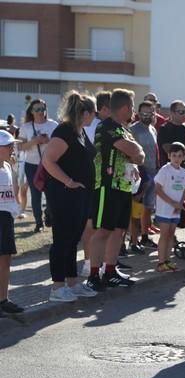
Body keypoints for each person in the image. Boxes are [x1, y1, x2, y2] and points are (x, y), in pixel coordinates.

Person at [41, 91, 99, 302]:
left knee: (72, 240)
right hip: (64, 195)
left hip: (80, 195)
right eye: (93, 113)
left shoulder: (79, 131)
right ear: (84, 113)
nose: (95, 117)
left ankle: (72, 283)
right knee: (62, 240)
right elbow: (48, 160)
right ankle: (57, 288)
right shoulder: (64, 131)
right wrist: (69, 181)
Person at [87, 89, 146, 291]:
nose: (133, 112)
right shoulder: (107, 127)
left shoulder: (124, 129)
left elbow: (139, 156)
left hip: (124, 186)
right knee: (103, 230)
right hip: (107, 185)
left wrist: (136, 154)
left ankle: (111, 271)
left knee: (119, 231)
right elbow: (133, 151)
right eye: (132, 107)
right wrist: (136, 152)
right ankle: (94, 274)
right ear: (125, 108)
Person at [80, 91, 111, 277]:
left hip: (101, 182)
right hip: (92, 182)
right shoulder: (94, 126)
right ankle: (89, 263)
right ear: (104, 108)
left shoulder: (102, 125)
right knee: (92, 225)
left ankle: (97, 263)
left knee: (101, 225)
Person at [17, 98, 58, 232]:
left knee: (52, 193)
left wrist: (49, 141)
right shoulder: (26, 127)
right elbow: (20, 146)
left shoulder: (53, 125)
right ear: (32, 112)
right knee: (35, 195)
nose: (41, 112)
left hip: (50, 164)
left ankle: (49, 213)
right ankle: (38, 223)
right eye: (37, 109)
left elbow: (60, 144)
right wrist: (34, 141)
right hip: (32, 165)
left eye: (43, 109)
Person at [154, 142, 185, 272]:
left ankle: (168, 260)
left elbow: (184, 190)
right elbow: (158, 189)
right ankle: (161, 262)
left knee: (171, 235)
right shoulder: (165, 170)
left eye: (180, 156)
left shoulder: (183, 172)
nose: (177, 158)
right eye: (174, 155)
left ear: (183, 157)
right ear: (169, 156)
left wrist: (179, 204)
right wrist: (172, 202)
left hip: (175, 210)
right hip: (164, 209)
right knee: (164, 235)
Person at [129, 101, 160, 249]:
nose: (147, 116)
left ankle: (145, 236)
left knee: (148, 207)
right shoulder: (133, 130)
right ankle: (133, 240)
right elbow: (132, 154)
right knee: (136, 208)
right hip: (142, 174)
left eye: (150, 113)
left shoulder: (153, 129)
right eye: (144, 113)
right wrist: (141, 175)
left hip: (154, 172)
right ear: (138, 114)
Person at [0, 130, 24, 314]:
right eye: (9, 146)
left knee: (6, 257)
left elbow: (12, 191)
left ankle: (3, 299)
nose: (12, 149)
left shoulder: (7, 167)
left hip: (6, 217)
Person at [157, 100, 185, 167]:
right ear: (172, 113)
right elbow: (169, 150)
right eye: (181, 112)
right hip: (170, 168)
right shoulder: (164, 128)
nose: (184, 115)